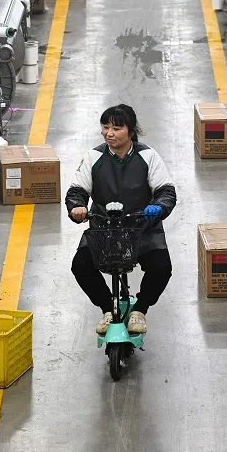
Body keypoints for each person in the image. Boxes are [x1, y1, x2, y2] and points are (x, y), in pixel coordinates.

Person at [66, 104, 177, 335]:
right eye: (105, 127)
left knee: (161, 268)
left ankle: (140, 310)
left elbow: (166, 191)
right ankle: (107, 309)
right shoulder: (93, 157)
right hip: (102, 231)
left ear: (131, 131)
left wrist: (158, 207)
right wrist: (77, 207)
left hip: (142, 230)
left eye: (116, 128)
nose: (109, 133)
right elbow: (77, 190)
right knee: (80, 266)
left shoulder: (148, 156)